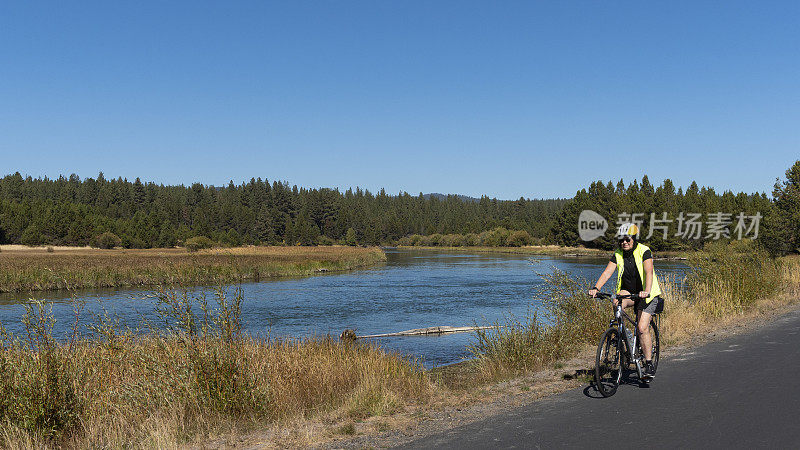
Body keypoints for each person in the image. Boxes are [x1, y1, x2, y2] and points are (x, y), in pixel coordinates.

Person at [588, 223, 664, 379]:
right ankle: (625, 335)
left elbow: (649, 272)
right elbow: (607, 272)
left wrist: (647, 291)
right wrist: (596, 287)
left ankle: (648, 362)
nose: (624, 242)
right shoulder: (618, 254)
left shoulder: (644, 251)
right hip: (629, 292)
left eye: (627, 239)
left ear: (634, 238)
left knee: (642, 328)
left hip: (647, 295)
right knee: (616, 302)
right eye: (621, 240)